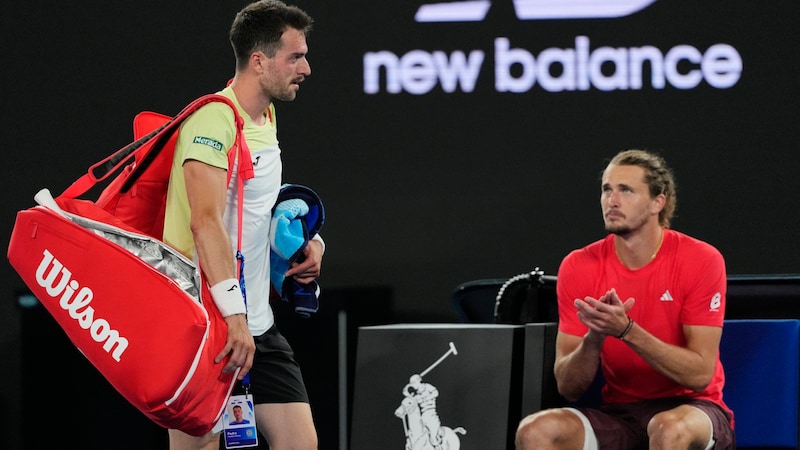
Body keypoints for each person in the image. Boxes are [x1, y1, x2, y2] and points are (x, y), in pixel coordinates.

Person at [162, 1, 323, 449]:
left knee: (301, 443)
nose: (306, 68)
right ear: (259, 60)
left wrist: (309, 241)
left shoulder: (265, 117)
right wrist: (232, 315)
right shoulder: (211, 120)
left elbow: (258, 206)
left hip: (256, 324)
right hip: (205, 324)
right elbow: (205, 222)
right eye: (295, 56)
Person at [515, 149, 735, 449]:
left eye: (626, 190)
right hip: (622, 413)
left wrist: (627, 331)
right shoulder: (578, 265)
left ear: (658, 201)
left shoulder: (702, 259)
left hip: (695, 409)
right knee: (535, 431)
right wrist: (594, 337)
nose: (612, 200)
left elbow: (699, 375)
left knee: (667, 429)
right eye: (607, 189)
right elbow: (568, 387)